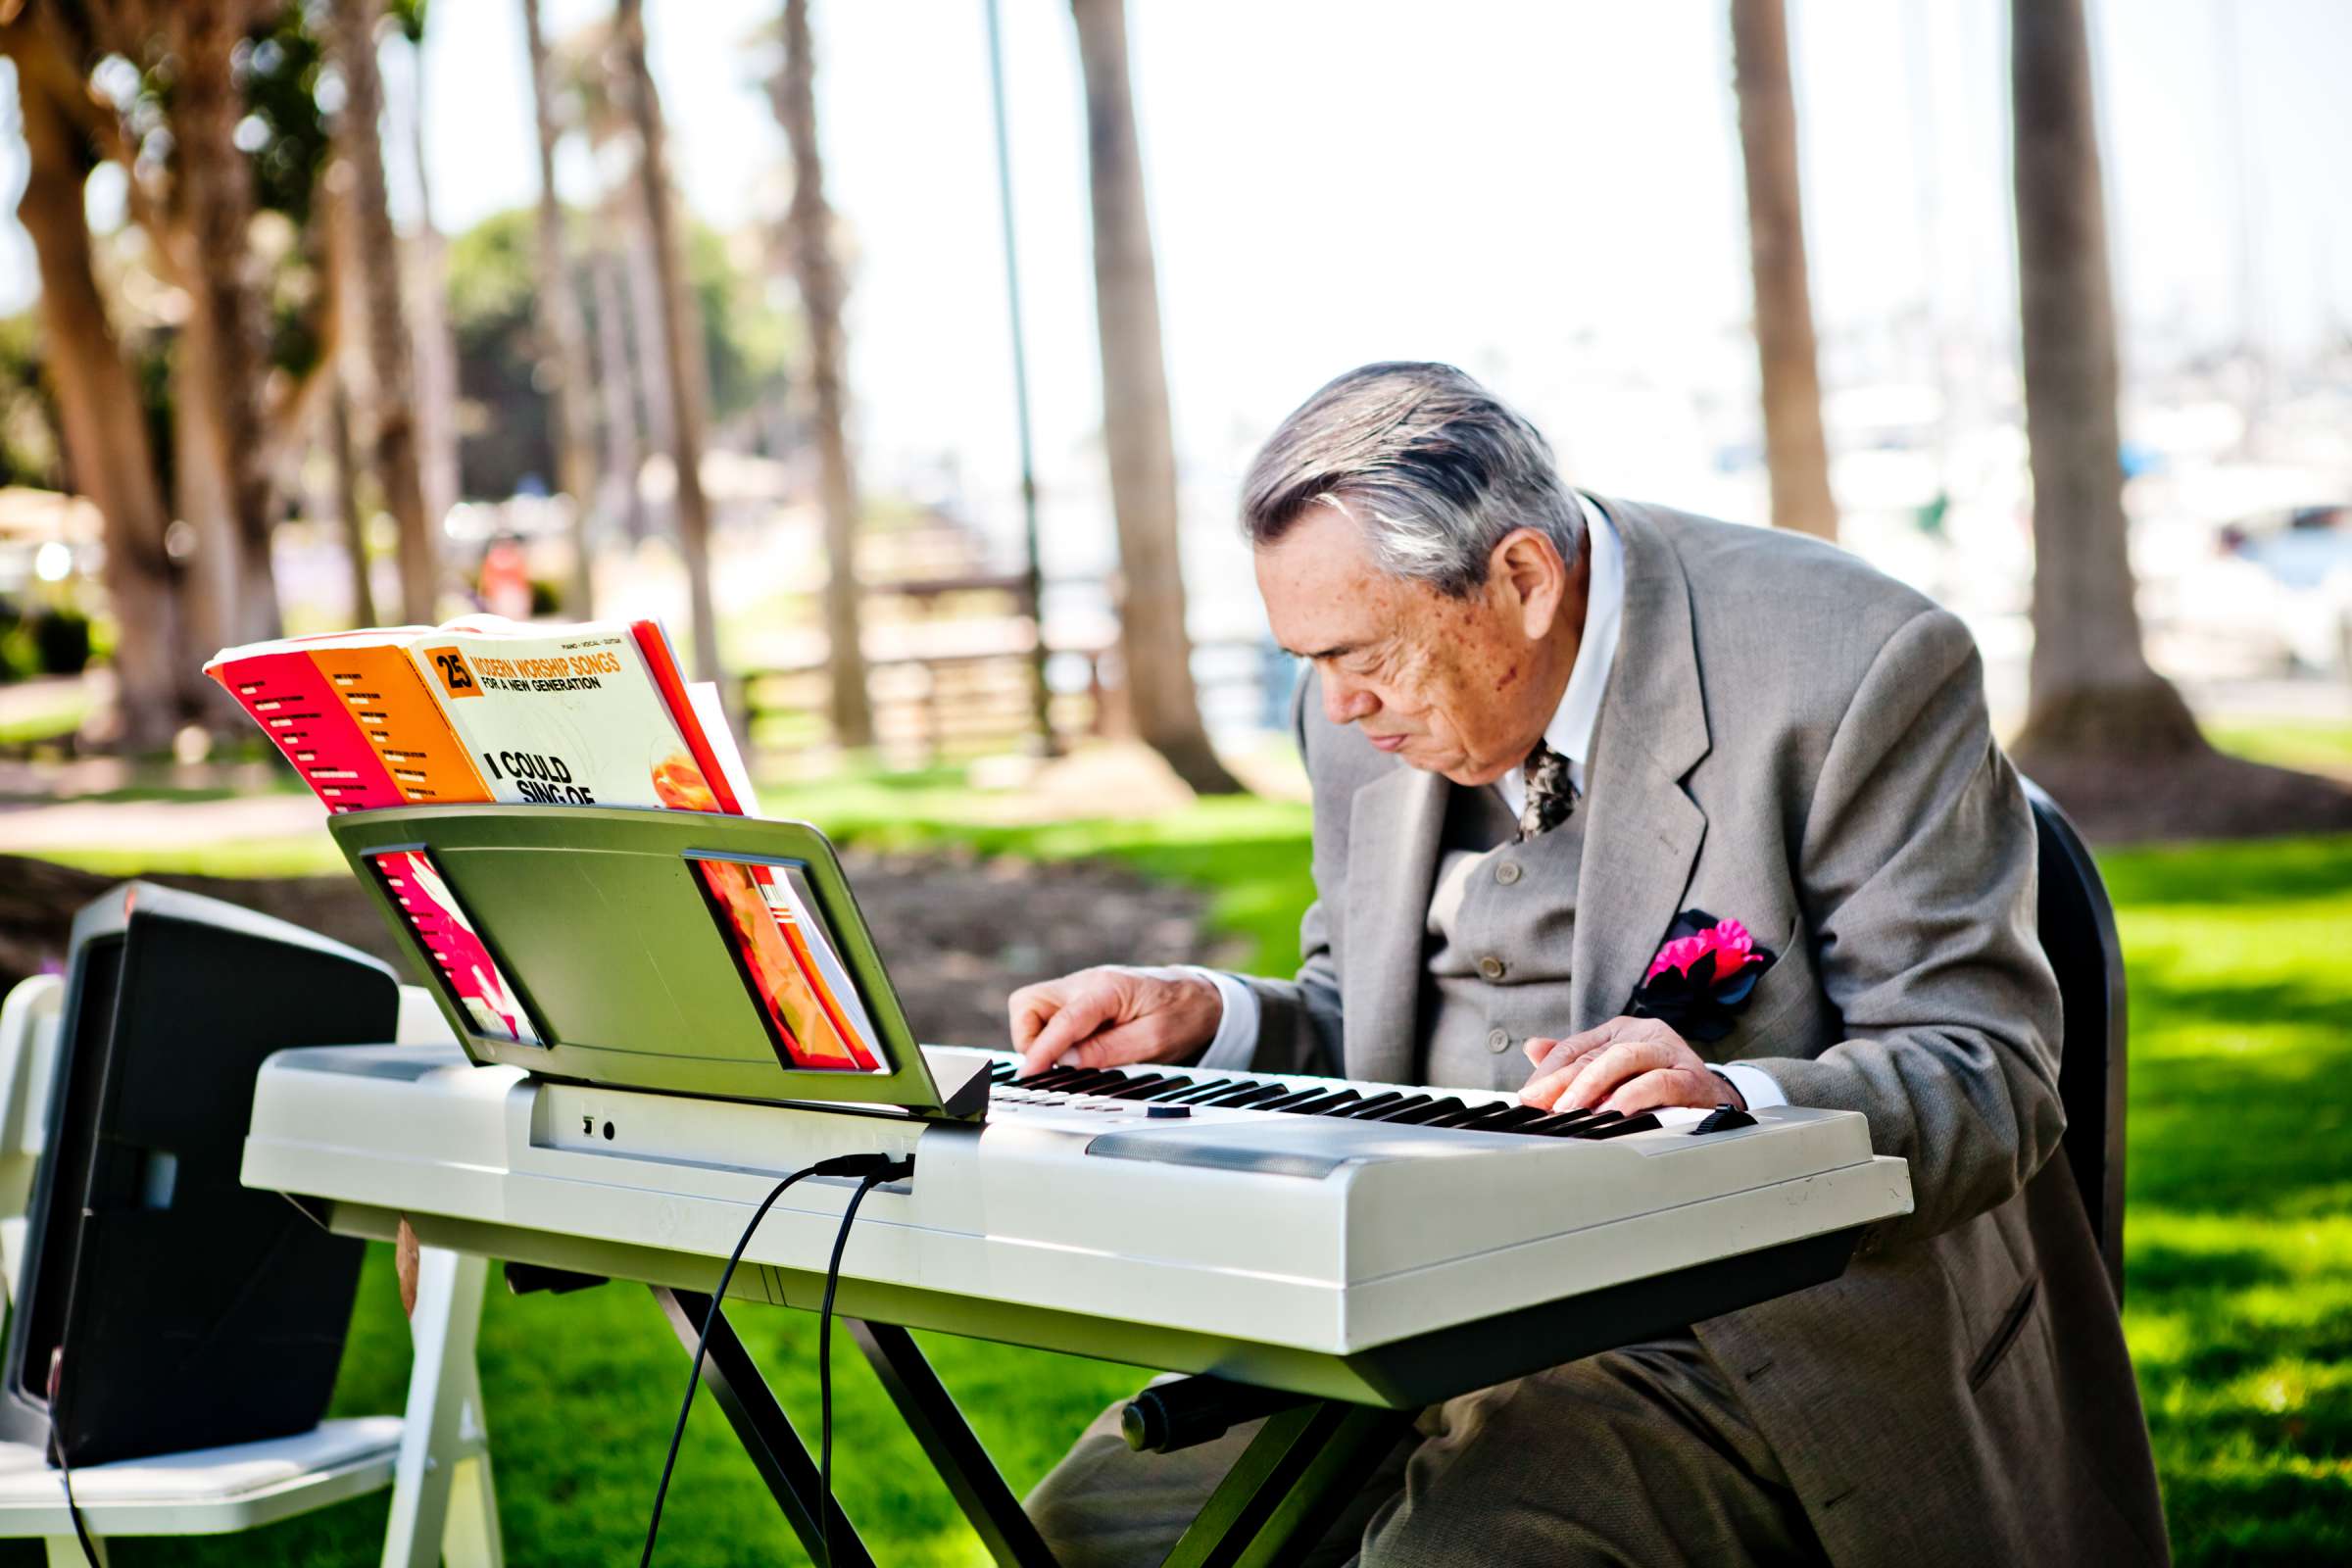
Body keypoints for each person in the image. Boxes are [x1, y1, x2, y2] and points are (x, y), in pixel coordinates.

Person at [1011, 364, 2167, 1566]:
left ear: (1520, 578)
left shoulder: (1851, 662)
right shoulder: (1349, 710)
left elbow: (1988, 1070)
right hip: (1403, 1309)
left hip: (1736, 1328)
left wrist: (1735, 1099)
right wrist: (1211, 1022)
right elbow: (1364, 1028)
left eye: (1360, 654)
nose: (1336, 704)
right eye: (1307, 658)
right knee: (1083, 1537)